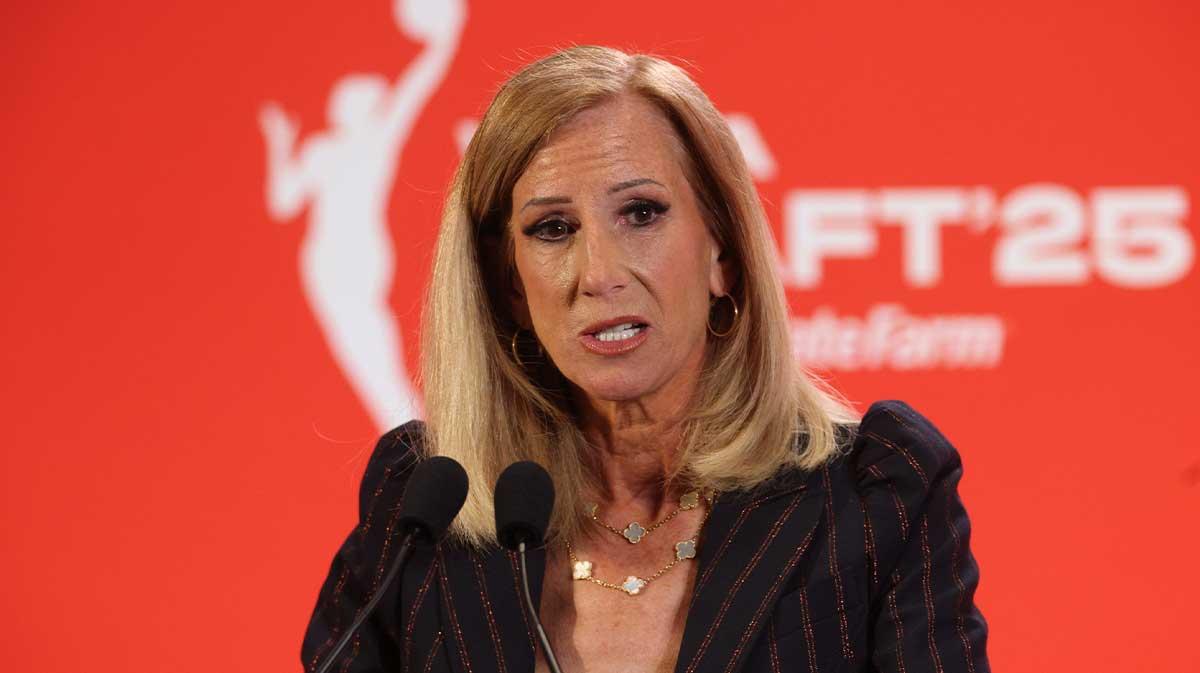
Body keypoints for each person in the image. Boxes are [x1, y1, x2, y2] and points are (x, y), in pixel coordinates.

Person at [301, 45, 989, 673]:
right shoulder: (423, 511)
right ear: (510, 284)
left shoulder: (875, 496)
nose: (598, 273)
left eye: (641, 213)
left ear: (722, 250)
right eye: (552, 228)